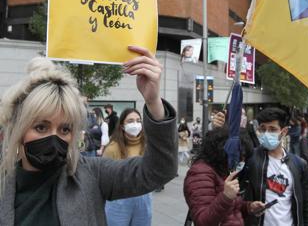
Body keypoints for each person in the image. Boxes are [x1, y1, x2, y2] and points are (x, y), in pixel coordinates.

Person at [0, 46, 177, 225]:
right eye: (41, 127)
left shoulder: (91, 174)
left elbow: (159, 170)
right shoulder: (4, 186)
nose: (54, 139)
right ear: (19, 129)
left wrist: (154, 102)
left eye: (64, 129)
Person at [243, 107, 308, 226]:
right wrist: (249, 206)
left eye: (272, 129)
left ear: (284, 131)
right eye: (263, 129)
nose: (266, 133)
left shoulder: (298, 164)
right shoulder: (251, 158)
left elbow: (307, 206)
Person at [184, 127, 266, 226]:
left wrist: (249, 207)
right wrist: (226, 197)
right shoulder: (200, 173)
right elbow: (203, 221)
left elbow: (232, 209)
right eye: (241, 155)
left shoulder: (223, 168)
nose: (242, 160)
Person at [104, 108, 152, 226]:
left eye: (138, 120)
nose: (135, 124)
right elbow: (104, 176)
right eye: (130, 121)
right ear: (122, 125)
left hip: (143, 197)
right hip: (118, 198)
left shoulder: (148, 145)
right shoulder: (113, 148)